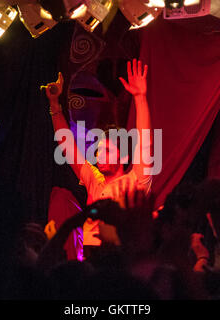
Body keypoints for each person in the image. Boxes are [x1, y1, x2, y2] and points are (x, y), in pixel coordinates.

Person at [44, 59, 153, 249]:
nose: (100, 155)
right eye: (99, 150)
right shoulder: (94, 179)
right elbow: (68, 147)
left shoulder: (135, 181)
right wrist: (54, 105)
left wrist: (140, 97)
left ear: (124, 157)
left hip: (116, 260)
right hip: (88, 259)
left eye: (108, 150)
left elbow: (145, 143)